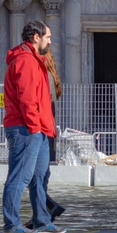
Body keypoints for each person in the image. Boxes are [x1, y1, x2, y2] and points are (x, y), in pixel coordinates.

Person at [2, 21, 64, 233]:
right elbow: (27, 99)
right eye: (48, 36)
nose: (50, 40)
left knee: (39, 176)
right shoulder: (26, 61)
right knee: (21, 176)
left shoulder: (35, 60)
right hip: (26, 129)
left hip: (38, 129)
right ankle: (11, 224)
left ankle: (41, 220)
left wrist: (46, 129)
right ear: (36, 37)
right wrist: (35, 127)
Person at [41, 53, 66, 223]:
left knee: (35, 176)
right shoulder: (51, 76)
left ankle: (46, 209)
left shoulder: (45, 76)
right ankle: (45, 209)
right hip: (46, 131)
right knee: (38, 176)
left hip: (41, 132)